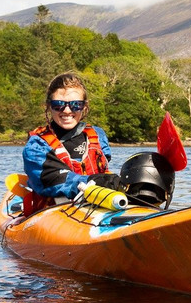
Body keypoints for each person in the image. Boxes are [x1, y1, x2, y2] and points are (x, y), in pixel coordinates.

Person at [22, 72, 122, 215]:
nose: (67, 110)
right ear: (49, 106)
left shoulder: (98, 136)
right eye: (58, 105)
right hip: (54, 213)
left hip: (99, 207)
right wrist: (95, 181)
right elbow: (54, 180)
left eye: (76, 105)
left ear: (84, 107)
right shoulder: (36, 146)